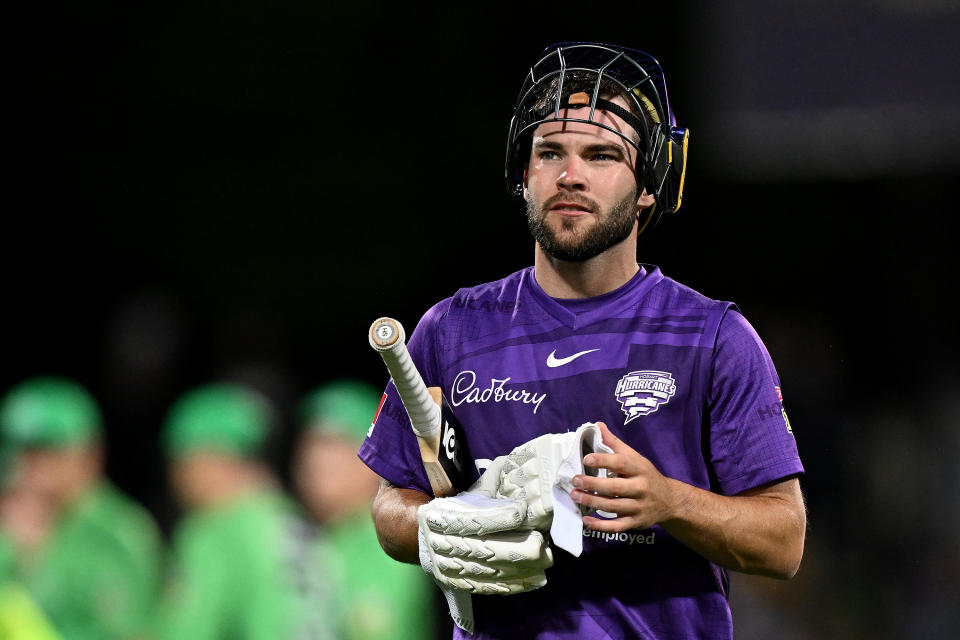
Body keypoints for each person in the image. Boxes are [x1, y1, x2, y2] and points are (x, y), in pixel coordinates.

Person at [359, 42, 806, 639]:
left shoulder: (714, 337)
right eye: (550, 153)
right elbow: (391, 507)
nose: (570, 176)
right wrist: (437, 527)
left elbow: (783, 542)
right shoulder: (451, 329)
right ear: (524, 175)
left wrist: (668, 501)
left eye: (600, 155)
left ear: (648, 185)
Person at [153, 381, 339, 640]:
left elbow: (186, 632)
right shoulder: (300, 522)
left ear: (210, 457)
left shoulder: (214, 531)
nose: (175, 477)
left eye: (179, 461)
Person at [0, 376, 163, 640]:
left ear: (89, 452)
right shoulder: (13, 524)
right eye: (22, 448)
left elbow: (132, 633)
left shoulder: (117, 530)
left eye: (47, 447)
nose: (32, 464)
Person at [293, 379, 436, 640]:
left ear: (377, 460)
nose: (317, 459)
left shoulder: (387, 542)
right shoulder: (311, 537)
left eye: (338, 445)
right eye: (312, 443)